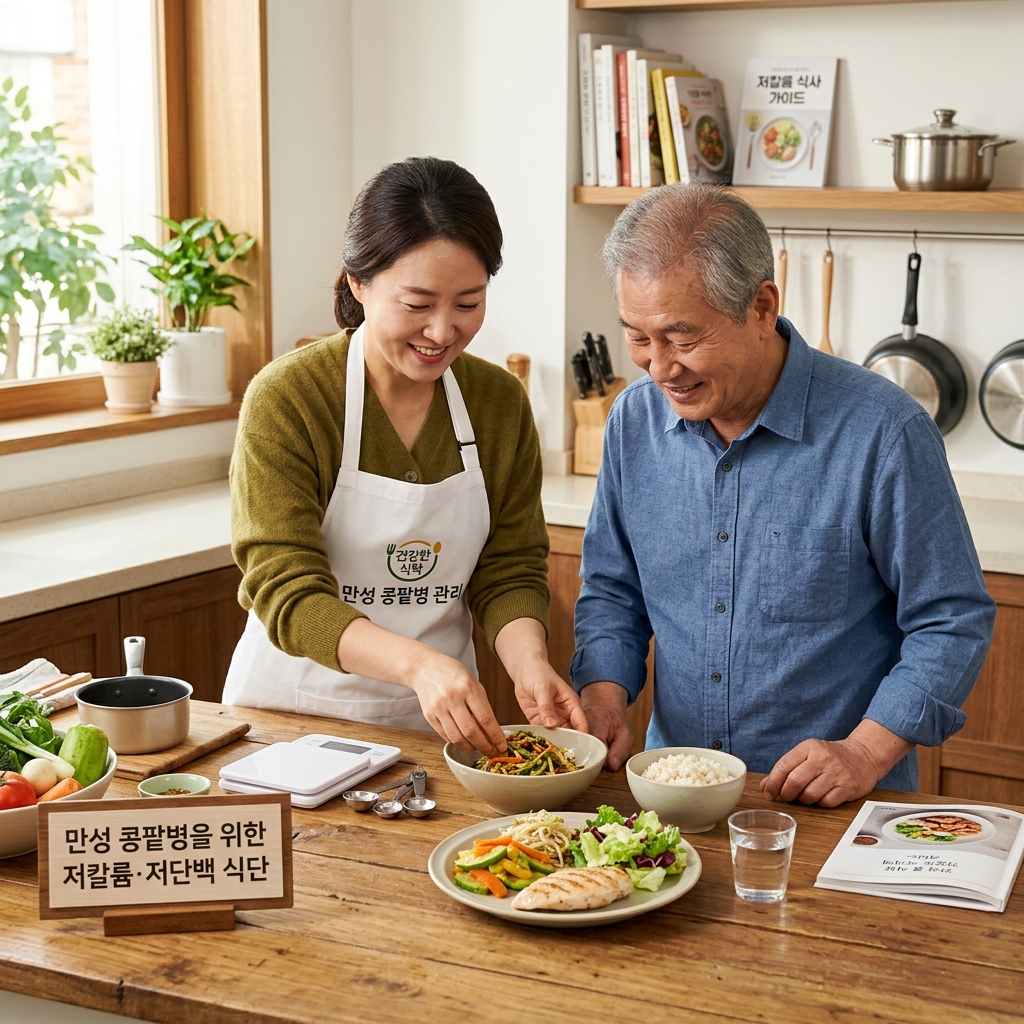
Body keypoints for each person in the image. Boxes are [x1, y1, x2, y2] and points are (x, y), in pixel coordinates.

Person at [571, 182, 995, 805]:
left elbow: (951, 620)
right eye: (638, 336)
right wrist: (604, 694)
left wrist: (864, 751)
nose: (659, 367)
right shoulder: (633, 422)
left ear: (762, 307)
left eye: (682, 338)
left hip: (833, 803)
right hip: (670, 794)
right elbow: (612, 589)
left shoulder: (882, 430)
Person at [224, 156, 586, 754]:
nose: (442, 331)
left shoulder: (497, 403)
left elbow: (509, 565)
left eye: (468, 303)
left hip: (431, 728)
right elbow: (285, 590)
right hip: (287, 720)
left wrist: (528, 664)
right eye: (417, 304)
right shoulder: (289, 399)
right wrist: (418, 665)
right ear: (358, 283)